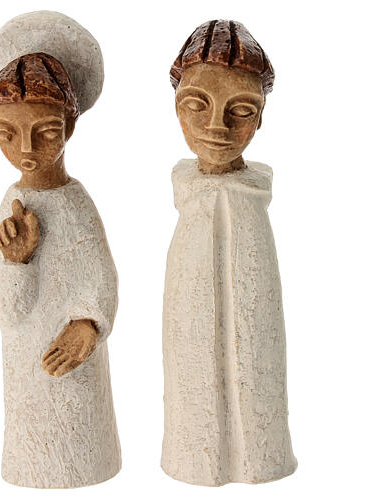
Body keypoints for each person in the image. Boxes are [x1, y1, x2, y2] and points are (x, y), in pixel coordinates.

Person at [0, 12, 120, 488]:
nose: (26, 149)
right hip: (26, 369)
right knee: (35, 445)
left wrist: (88, 326)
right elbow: (7, 311)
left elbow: (102, 276)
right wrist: (16, 263)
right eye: (7, 134)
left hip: (78, 365)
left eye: (45, 132)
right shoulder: (11, 206)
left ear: (69, 127)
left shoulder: (77, 203)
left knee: (82, 439)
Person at [162, 20, 297, 486]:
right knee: (190, 367)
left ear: (260, 117)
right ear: (176, 108)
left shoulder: (252, 203)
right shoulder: (189, 200)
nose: (216, 126)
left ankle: (261, 456)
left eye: (240, 109)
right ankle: (193, 457)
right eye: (196, 105)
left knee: (258, 361)